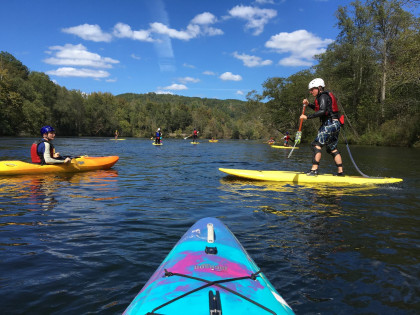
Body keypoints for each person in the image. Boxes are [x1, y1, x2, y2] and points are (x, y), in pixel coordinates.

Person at [300, 78, 344, 176]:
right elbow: (320, 108)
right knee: (332, 148)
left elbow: (322, 111)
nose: (310, 92)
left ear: (319, 88)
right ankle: (340, 172)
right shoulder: (325, 96)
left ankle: (314, 170)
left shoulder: (322, 96)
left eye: (312, 89)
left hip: (329, 124)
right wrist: (308, 104)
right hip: (335, 124)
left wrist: (307, 117)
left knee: (316, 145)